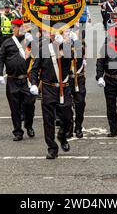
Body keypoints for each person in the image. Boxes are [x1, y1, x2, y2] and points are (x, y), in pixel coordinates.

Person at [30, 31, 75, 160]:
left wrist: (64, 46)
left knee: (67, 117)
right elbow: (35, 69)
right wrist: (33, 83)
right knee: (48, 120)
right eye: (53, 34)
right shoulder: (43, 49)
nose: (55, 36)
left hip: (63, 88)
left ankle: (62, 135)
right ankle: (52, 148)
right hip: (48, 87)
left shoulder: (67, 48)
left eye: (58, 34)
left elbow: (72, 58)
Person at [0, 19, 36, 141]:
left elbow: (38, 56)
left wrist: (32, 42)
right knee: (14, 108)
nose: (15, 29)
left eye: (18, 27)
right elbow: (0, 58)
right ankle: (18, 131)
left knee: (29, 105)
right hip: (12, 80)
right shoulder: (7, 43)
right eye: (14, 27)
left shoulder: (29, 41)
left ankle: (28, 125)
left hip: (26, 79)